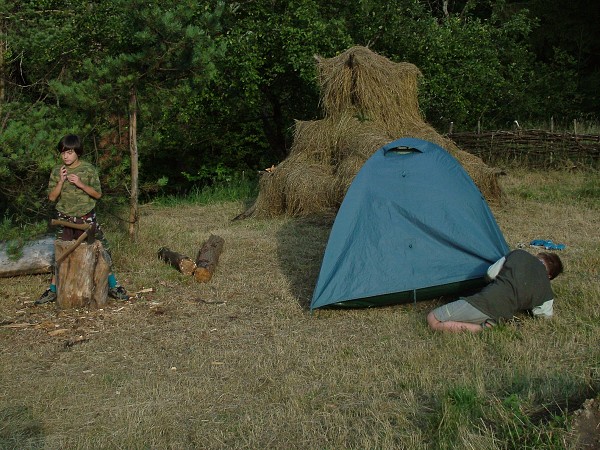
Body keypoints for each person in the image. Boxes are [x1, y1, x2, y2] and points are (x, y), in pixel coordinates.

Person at [36, 134, 129, 304]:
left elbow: (97, 194)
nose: (66, 156)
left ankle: (114, 286)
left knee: (103, 251)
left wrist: (80, 183)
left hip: (87, 219)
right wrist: (61, 182)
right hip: (63, 218)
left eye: (69, 152)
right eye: (63, 153)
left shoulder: (88, 169)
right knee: (60, 255)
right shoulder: (57, 171)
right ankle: (52, 290)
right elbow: (51, 198)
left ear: (77, 152)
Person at [427, 249, 563, 333]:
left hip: (484, 302)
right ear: (550, 276)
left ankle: (481, 329)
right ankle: (491, 323)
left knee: (433, 319)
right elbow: (544, 316)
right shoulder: (547, 292)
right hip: (504, 315)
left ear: (539, 256)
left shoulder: (518, 254)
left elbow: (490, 274)